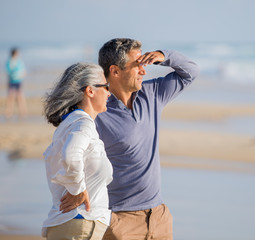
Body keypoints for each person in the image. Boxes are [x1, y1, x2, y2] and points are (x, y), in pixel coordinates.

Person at [61, 38, 199, 239]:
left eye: (144, 65)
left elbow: (191, 72)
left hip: (158, 216)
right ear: (115, 71)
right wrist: (77, 188)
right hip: (119, 221)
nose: (144, 71)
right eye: (137, 66)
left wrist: (163, 56)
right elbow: (71, 151)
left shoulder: (152, 93)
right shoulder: (97, 110)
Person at [42, 62, 113, 240]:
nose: (109, 93)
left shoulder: (69, 124)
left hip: (71, 225)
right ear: (90, 91)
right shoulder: (83, 123)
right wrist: (78, 190)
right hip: (80, 225)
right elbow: (71, 155)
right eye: (106, 87)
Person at [4, 47, 27, 119]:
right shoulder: (9, 61)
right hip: (12, 81)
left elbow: (23, 71)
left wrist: (22, 74)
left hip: (18, 81)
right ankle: (8, 113)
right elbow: (8, 71)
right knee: (11, 97)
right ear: (15, 53)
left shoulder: (19, 61)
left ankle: (23, 113)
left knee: (20, 97)